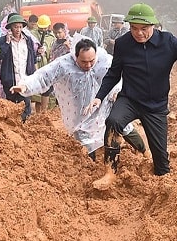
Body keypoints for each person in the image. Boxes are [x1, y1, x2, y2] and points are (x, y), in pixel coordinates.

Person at [86, 3, 177, 190]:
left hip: (156, 106)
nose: (139, 33)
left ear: (153, 26)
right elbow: (113, 73)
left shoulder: (167, 41)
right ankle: (110, 172)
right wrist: (99, 97)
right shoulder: (123, 44)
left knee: (161, 161)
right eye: (134, 28)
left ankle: (163, 182)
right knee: (114, 121)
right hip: (130, 99)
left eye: (144, 29)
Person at [10, 37, 147, 159]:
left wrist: (118, 91)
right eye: (84, 62)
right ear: (76, 56)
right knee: (84, 138)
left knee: (123, 126)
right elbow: (43, 76)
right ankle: (91, 166)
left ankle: (144, 151)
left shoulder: (105, 60)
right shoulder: (63, 65)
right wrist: (25, 86)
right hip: (80, 110)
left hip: (105, 102)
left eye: (91, 61)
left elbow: (122, 74)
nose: (88, 65)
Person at [0, 14, 36, 122]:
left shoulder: (28, 40)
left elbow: (32, 57)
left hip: (25, 78)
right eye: (15, 27)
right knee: (11, 106)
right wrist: (7, 43)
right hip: (10, 79)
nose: (18, 30)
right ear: (10, 28)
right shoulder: (2, 40)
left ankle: (24, 126)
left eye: (20, 27)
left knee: (26, 105)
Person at [33, 14, 57, 113]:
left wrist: (46, 51)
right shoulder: (32, 35)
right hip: (36, 65)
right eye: (41, 27)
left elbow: (54, 50)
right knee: (36, 91)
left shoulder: (52, 37)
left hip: (47, 64)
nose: (43, 30)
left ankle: (47, 112)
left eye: (45, 27)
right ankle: (37, 113)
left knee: (48, 89)